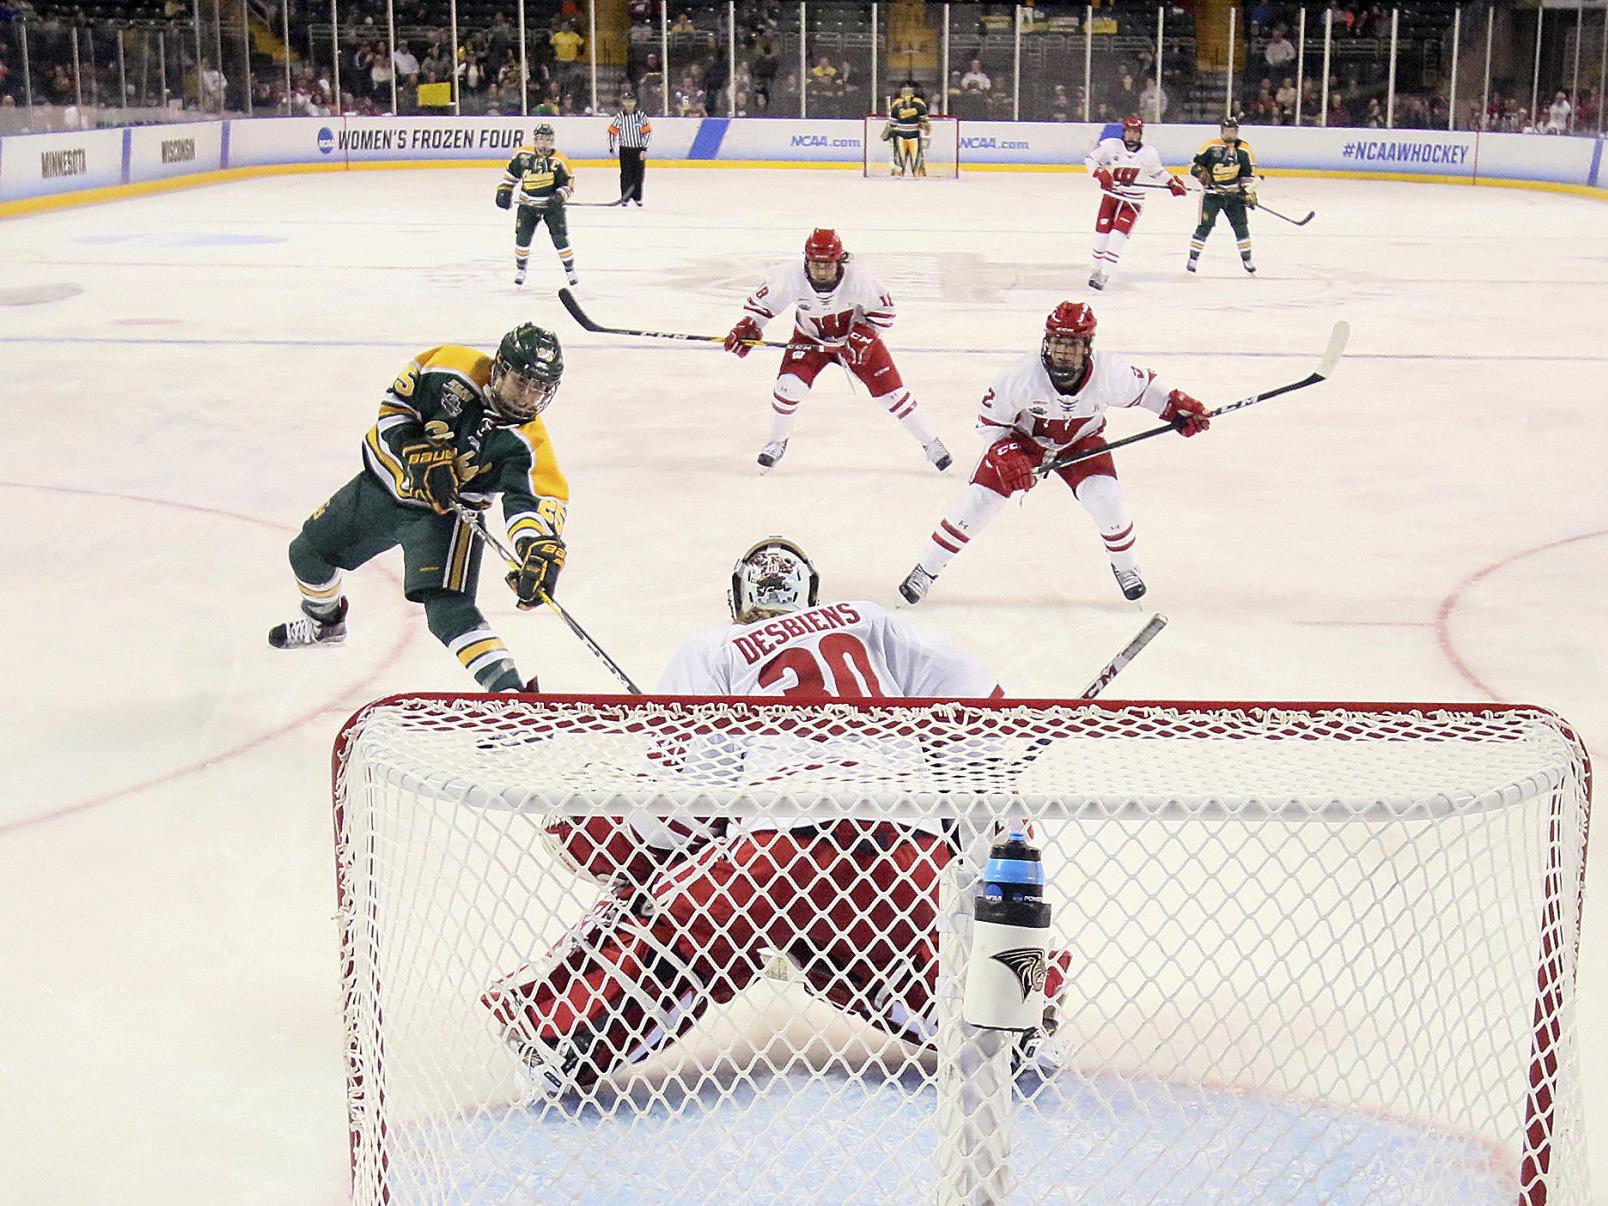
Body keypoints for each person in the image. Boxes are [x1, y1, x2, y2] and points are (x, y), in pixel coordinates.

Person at [482, 537, 1072, 1097]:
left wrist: (609, 835)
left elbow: (682, 810)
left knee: (666, 922)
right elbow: (981, 712)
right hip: (906, 853)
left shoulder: (712, 648)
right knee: (889, 957)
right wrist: (984, 819)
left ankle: (561, 1038)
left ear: (740, 596)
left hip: (775, 858)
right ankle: (1011, 1025)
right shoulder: (872, 621)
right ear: (810, 593)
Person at [267, 325, 569, 692]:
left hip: (445, 516)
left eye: (538, 389)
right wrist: (412, 448)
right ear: (500, 368)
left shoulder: (527, 443)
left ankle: (510, 696)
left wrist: (536, 549)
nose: (526, 397)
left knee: (447, 611)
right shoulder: (448, 366)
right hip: (381, 489)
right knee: (307, 554)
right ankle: (325, 623)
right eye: (521, 381)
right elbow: (394, 409)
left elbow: (529, 504)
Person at [898, 302, 1209, 605]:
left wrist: (1176, 408)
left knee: (1108, 503)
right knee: (978, 503)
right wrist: (1006, 453)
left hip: (1082, 441)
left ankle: (1126, 568)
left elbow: (1150, 392)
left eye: (1072, 346)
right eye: (1058, 343)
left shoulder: (1111, 372)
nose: (1063, 353)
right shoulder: (1020, 376)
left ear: (1088, 347)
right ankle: (926, 570)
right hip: (1023, 441)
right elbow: (989, 424)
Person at [723, 229, 951, 474]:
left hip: (852, 342)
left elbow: (885, 312)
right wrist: (750, 326)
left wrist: (865, 334)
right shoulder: (789, 277)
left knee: (893, 396)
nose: (821, 272)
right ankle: (777, 442)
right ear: (806, 260)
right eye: (815, 265)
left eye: (827, 265)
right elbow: (763, 306)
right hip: (809, 340)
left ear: (840, 261)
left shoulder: (860, 280)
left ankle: (931, 444)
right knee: (788, 388)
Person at [1082, 115, 1188, 290]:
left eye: (1135, 132)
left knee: (1117, 238)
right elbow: (1090, 158)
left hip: (1132, 201)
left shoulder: (1149, 153)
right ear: (1124, 132)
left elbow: (1158, 172)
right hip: (1111, 197)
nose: (1131, 135)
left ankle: (1104, 275)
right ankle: (1096, 270)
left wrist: (1172, 184)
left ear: (1140, 134)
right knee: (1101, 237)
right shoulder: (1111, 145)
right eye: (1129, 131)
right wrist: (1099, 172)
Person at [495, 123, 578, 287]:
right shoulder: (522, 155)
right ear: (535, 140)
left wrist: (560, 196)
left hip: (551, 208)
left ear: (552, 141)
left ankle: (570, 271)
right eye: (541, 139)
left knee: (560, 239)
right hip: (528, 206)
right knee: (522, 238)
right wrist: (504, 191)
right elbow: (510, 176)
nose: (544, 143)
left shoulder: (560, 160)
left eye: (547, 139)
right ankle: (521, 270)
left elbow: (569, 184)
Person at [1187, 116, 1257, 275]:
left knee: (1241, 227)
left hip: (1234, 197)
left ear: (1237, 132)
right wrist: (1200, 172)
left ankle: (1247, 260)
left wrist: (1248, 192)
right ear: (1221, 131)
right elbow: (1193, 164)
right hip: (1212, 196)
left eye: (1233, 131)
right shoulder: (1210, 146)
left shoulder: (1244, 150)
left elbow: (1247, 176)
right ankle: (1193, 259)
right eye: (1227, 131)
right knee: (1204, 226)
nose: (1230, 134)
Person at [607, 92, 651, 205]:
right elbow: (612, 133)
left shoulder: (641, 116)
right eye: (626, 101)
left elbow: (648, 132)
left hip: (638, 149)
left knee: (638, 174)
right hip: (625, 149)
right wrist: (611, 149)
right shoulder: (619, 117)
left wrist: (644, 148)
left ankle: (637, 197)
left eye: (631, 101)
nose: (629, 103)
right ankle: (625, 198)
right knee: (625, 174)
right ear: (623, 102)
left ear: (635, 102)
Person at [881, 81, 930, 177]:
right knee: (899, 164)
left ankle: (918, 173)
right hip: (900, 135)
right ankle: (898, 173)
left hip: (914, 135)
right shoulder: (897, 104)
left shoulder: (919, 104)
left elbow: (924, 121)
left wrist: (925, 126)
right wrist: (887, 131)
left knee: (916, 162)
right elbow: (892, 122)